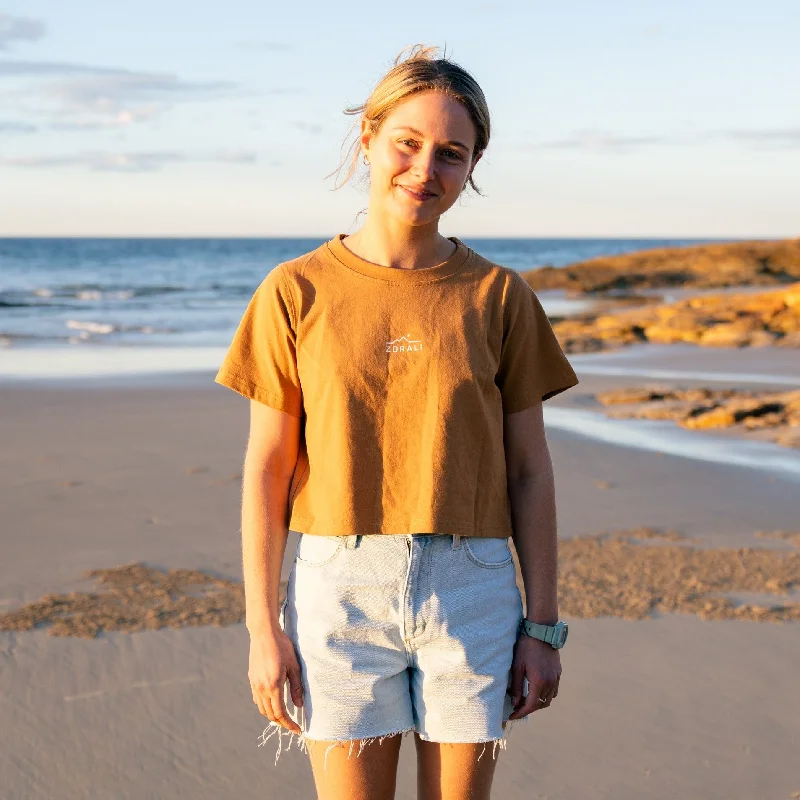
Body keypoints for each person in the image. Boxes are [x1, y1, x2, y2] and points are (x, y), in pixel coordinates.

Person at [215, 43, 579, 800]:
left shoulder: (498, 298)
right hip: (337, 590)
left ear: (472, 167)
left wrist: (542, 628)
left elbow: (528, 470)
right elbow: (267, 470)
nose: (424, 170)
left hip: (474, 588)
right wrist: (262, 628)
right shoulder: (295, 293)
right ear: (369, 140)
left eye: (451, 153)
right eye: (407, 144)